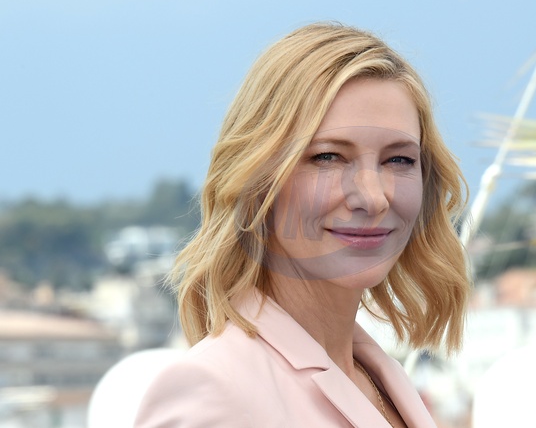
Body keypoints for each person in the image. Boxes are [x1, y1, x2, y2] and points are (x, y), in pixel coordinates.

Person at [134, 22, 470, 428]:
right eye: (328, 157)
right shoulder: (211, 392)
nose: (374, 197)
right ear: (258, 179)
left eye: (398, 159)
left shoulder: (380, 377)